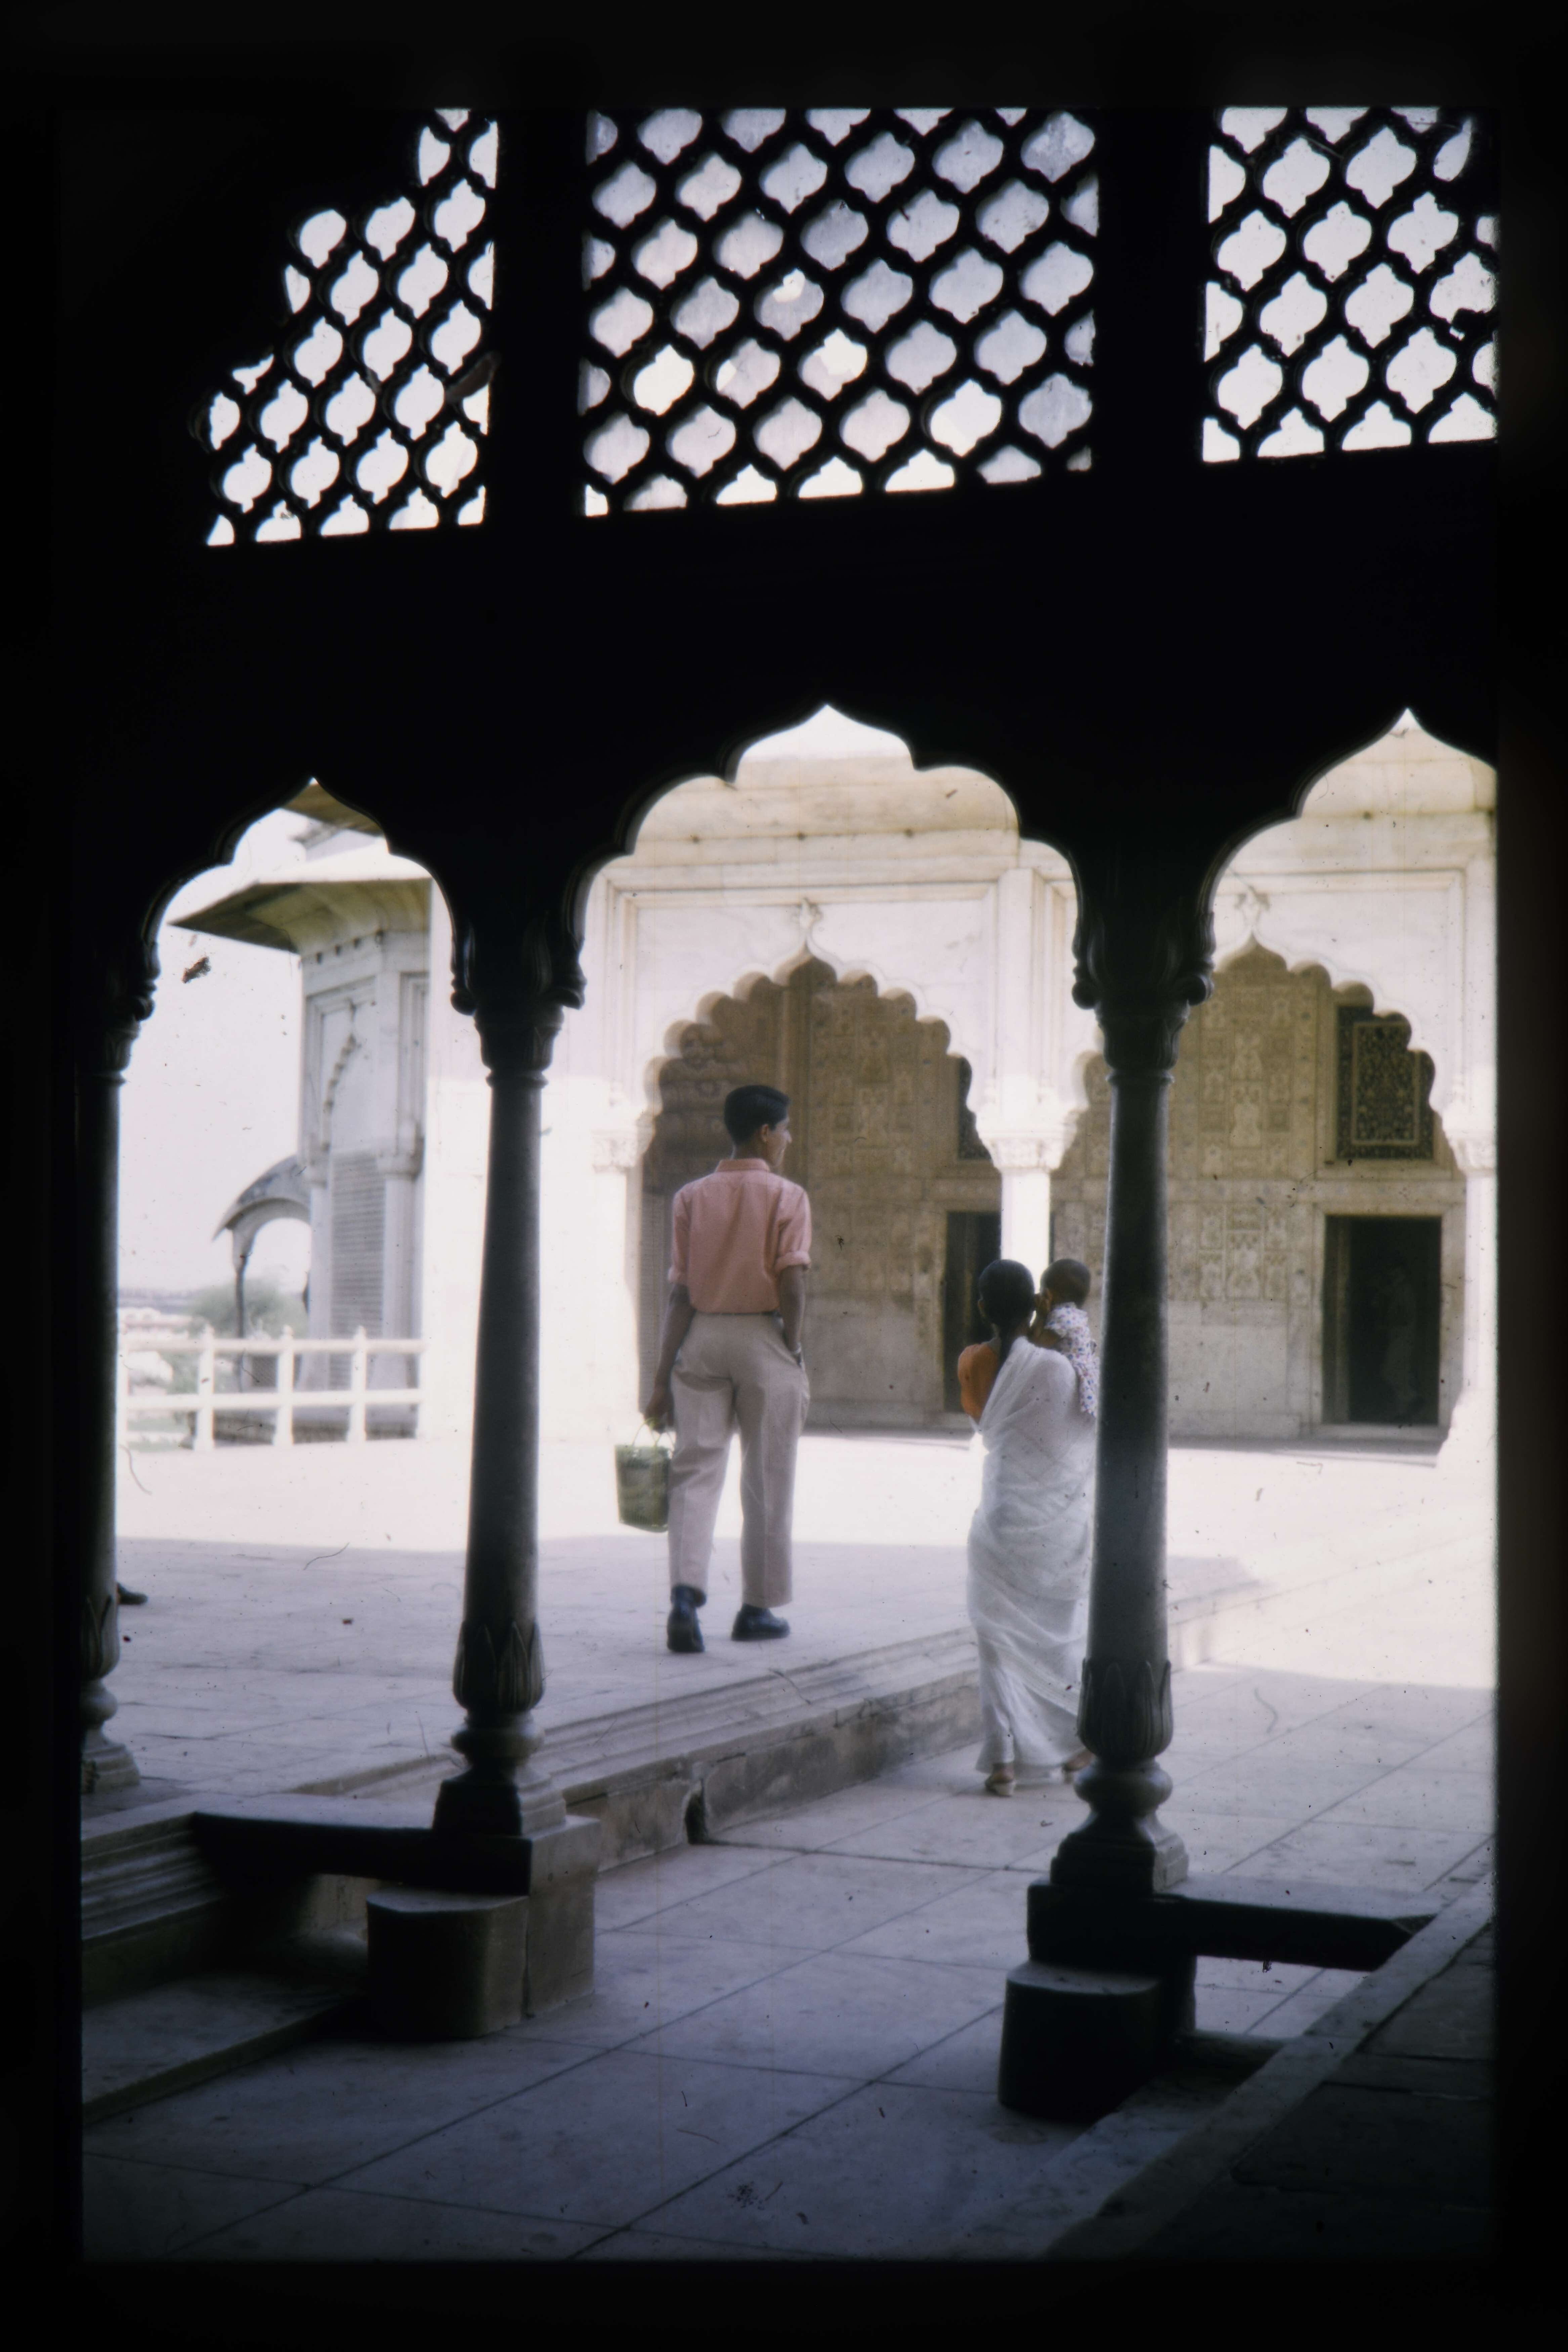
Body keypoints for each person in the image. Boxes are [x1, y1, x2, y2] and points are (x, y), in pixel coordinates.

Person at [643, 1082, 811, 1654]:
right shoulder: (787, 1196)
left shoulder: (691, 1197)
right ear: (765, 1133)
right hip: (763, 1335)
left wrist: (660, 1377)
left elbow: (679, 1295)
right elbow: (792, 1282)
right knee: (767, 1474)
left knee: (694, 1468)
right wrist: (792, 1344)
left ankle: (684, 1599)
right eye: (784, 1131)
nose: (787, 1140)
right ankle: (756, 1608)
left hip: (702, 1337)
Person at [962, 1259, 1095, 1796]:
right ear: (1036, 1304)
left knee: (994, 1642)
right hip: (1053, 1522)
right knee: (1058, 1634)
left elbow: (986, 1421)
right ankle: (1078, 1747)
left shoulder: (970, 1362)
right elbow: (1081, 1430)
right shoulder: (1062, 1368)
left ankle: (1003, 1764)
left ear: (981, 1308)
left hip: (1001, 1516)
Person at [1031, 1256, 1099, 1420]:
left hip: (1067, 1380)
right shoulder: (1074, 1314)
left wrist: (1040, 1316)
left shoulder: (1061, 1316)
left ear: (1049, 1294)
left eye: (1041, 1290)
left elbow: (1035, 1348)